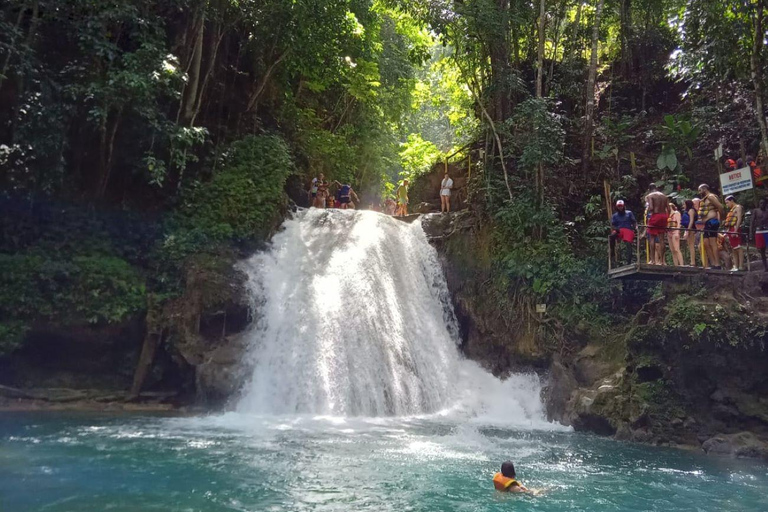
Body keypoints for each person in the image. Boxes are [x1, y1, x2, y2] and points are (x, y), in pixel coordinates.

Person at [698, 184, 725, 269]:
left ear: (705, 189)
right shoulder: (704, 198)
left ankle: (717, 264)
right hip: (706, 223)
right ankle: (713, 263)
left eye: (700, 190)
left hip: (712, 221)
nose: (699, 192)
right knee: (706, 243)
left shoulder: (711, 196)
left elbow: (720, 206)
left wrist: (721, 219)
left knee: (713, 243)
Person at [645, 184, 669, 265]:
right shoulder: (664, 196)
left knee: (652, 237)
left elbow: (651, 208)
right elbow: (668, 209)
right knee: (662, 238)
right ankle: (662, 261)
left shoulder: (650, 196)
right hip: (664, 216)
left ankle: (653, 260)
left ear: (649, 189)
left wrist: (647, 211)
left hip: (655, 215)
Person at [610, 200, 637, 265]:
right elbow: (613, 225)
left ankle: (629, 261)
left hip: (628, 229)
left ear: (623, 206)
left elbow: (634, 222)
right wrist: (616, 229)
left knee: (628, 243)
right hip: (619, 229)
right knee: (612, 236)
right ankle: (612, 252)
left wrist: (634, 228)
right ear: (616, 207)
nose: (620, 208)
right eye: (619, 206)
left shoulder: (629, 213)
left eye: (621, 206)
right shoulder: (615, 215)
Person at [723, 195, 745, 271]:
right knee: (733, 248)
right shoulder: (731, 210)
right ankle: (736, 266)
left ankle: (741, 266)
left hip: (735, 228)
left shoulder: (738, 207)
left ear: (732, 200)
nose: (727, 204)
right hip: (730, 229)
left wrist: (736, 231)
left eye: (727, 202)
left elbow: (739, 219)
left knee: (738, 247)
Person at [752, 198, 768, 271]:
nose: (762, 204)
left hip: (766, 231)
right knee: (762, 250)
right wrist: (750, 233)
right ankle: (765, 266)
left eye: (763, 203)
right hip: (759, 232)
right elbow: (752, 222)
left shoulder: (767, 211)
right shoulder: (756, 211)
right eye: (760, 203)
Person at [682, 199, 698, 267]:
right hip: (687, 228)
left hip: (691, 229)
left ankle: (693, 262)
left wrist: (688, 230)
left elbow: (691, 221)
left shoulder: (691, 210)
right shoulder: (686, 211)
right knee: (689, 245)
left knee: (691, 245)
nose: (683, 206)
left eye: (684, 204)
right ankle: (692, 261)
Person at [667, 202, 684, 266]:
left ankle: (681, 264)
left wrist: (677, 232)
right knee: (672, 250)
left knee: (676, 249)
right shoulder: (667, 214)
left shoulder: (676, 213)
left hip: (675, 232)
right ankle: (676, 265)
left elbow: (678, 223)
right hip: (669, 232)